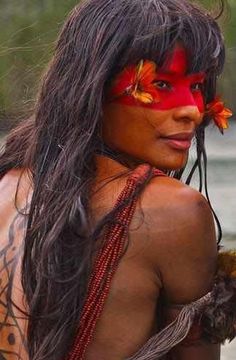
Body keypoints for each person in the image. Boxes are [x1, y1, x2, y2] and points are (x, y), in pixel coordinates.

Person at [0, 0, 235, 359]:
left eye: (198, 87)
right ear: (94, 86)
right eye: (160, 83)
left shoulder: (8, 182)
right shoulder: (174, 210)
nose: (191, 109)